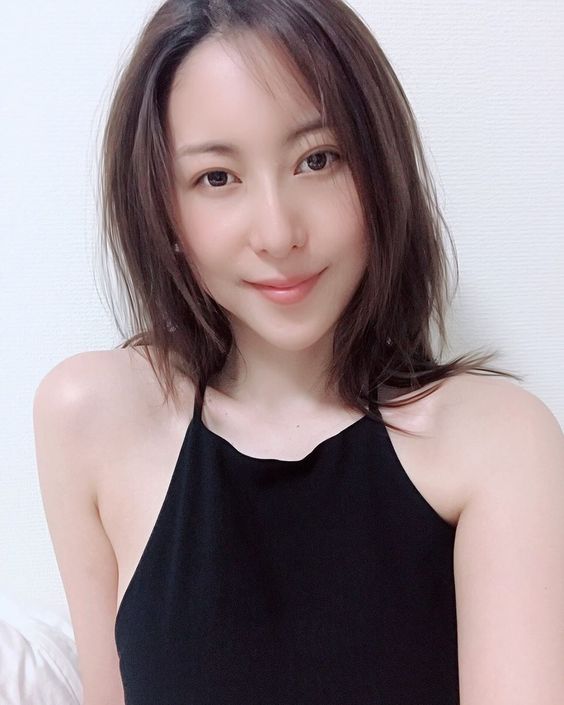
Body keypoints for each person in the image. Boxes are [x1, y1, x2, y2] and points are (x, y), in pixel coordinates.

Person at [32, 1, 564, 704]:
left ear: (379, 169)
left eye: (318, 159)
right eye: (217, 177)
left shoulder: (497, 440)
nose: (278, 232)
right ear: (162, 211)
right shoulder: (92, 417)